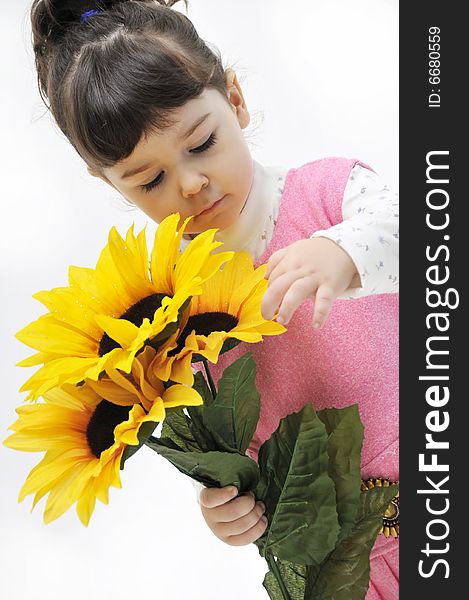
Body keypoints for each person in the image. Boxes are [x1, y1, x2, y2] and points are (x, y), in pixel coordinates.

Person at [30, 1, 399, 597]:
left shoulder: (330, 194)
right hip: (346, 571)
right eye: (149, 180)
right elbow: (221, 432)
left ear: (235, 100)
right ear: (111, 183)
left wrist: (344, 252)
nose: (190, 183)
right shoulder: (167, 311)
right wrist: (228, 503)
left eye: (201, 143)